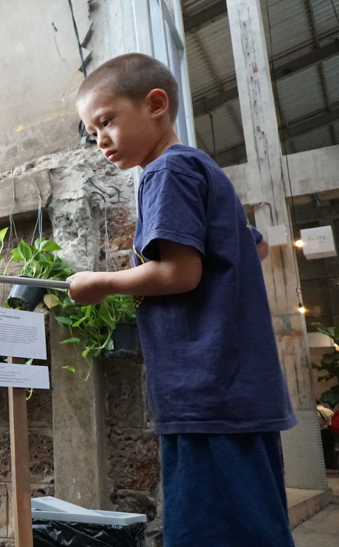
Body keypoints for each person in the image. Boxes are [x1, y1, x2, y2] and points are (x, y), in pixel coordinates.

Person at [69, 53, 297, 547]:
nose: (99, 140)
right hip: (239, 389)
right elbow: (254, 244)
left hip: (205, 389)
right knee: (255, 525)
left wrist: (101, 283)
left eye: (106, 121)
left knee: (208, 531)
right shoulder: (203, 169)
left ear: (155, 104)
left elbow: (179, 272)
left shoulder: (164, 172)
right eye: (92, 132)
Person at [318, 400, 337, 470]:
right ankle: (332, 464)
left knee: (322, 450)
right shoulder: (328, 411)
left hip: (321, 431)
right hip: (329, 430)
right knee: (330, 449)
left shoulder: (315, 411)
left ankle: (325, 465)